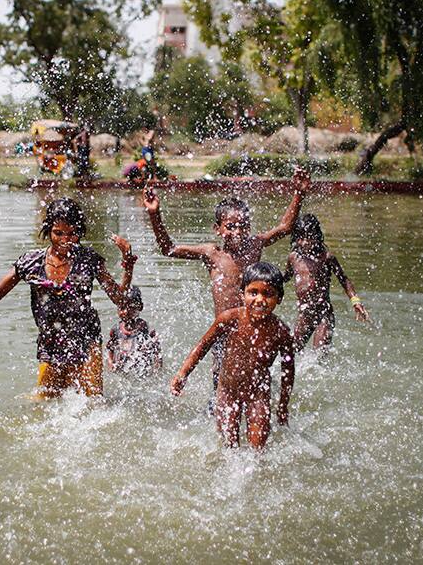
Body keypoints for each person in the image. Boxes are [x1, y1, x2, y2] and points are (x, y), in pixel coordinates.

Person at [142, 167, 310, 400]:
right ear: (218, 229)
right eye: (230, 227)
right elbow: (168, 249)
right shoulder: (212, 254)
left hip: (254, 326)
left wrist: (298, 193)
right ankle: (218, 413)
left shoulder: (255, 245)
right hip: (224, 331)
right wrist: (154, 215)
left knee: (258, 376)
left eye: (243, 226)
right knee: (221, 381)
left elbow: (285, 228)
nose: (238, 232)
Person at [0, 197, 136, 399]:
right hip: (51, 343)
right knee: (44, 405)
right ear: (48, 231)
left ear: (79, 232)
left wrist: (128, 263)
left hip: (86, 340)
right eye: (58, 233)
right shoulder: (31, 263)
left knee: (93, 402)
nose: (65, 240)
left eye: (72, 234)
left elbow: (119, 300)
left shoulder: (89, 259)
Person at [170, 262, 295, 451]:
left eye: (268, 294)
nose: (260, 300)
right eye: (253, 292)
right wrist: (182, 374)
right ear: (242, 293)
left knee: (258, 449)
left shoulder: (281, 332)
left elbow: (288, 369)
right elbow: (203, 346)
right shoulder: (229, 318)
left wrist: (283, 405)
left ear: (279, 298)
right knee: (229, 447)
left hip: (258, 394)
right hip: (228, 391)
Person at [284, 214, 369, 352]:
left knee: (319, 356)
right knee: (291, 353)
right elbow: (285, 278)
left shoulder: (326, 257)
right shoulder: (293, 258)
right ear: (295, 238)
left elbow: (344, 280)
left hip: (324, 315)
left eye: (309, 237)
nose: (305, 242)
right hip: (304, 315)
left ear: (317, 236)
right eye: (301, 238)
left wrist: (355, 301)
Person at [106, 285, 162, 377]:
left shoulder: (145, 329)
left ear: (140, 307)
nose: (125, 312)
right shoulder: (115, 330)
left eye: (130, 307)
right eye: (122, 307)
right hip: (122, 370)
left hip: (141, 371)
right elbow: (110, 349)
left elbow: (157, 352)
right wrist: (111, 363)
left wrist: (156, 370)